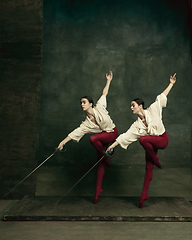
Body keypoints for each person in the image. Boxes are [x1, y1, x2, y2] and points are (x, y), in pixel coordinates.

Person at [106, 73, 176, 208]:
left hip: (162, 139)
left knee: (143, 139)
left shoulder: (153, 109)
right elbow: (126, 136)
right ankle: (143, 196)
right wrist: (112, 146)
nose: (131, 108)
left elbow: (162, 97)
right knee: (148, 168)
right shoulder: (136, 125)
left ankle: (155, 159)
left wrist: (171, 83)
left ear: (140, 105)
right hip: (150, 146)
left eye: (133, 105)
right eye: (131, 106)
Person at [58, 71, 118, 204]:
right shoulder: (86, 123)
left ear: (91, 104)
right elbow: (75, 132)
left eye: (84, 102)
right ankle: (97, 193)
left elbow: (104, 94)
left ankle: (106, 155)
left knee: (92, 139)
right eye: (80, 103)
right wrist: (63, 142)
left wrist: (108, 80)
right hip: (101, 140)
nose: (82, 104)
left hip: (111, 133)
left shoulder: (100, 107)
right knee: (100, 164)